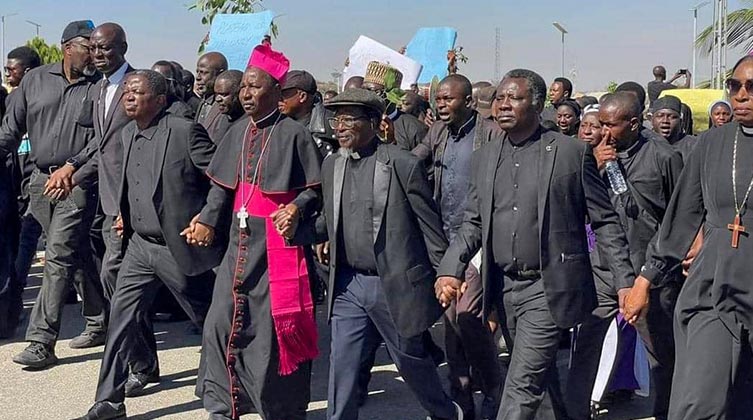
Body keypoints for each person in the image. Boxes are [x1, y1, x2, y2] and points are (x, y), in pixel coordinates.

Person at [434, 69, 635, 420]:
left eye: (515, 98)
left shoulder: (570, 154)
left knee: (521, 383)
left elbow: (604, 220)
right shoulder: (485, 157)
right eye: (500, 98)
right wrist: (450, 269)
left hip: (549, 286)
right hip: (504, 287)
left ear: (537, 104)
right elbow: (474, 222)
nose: (504, 105)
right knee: (542, 381)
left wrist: (625, 282)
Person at [288, 88, 464, 420]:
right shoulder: (332, 165)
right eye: (335, 118)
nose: (339, 126)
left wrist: (445, 274)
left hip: (393, 284)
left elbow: (430, 228)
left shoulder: (402, 164)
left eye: (348, 119)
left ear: (373, 122)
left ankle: (445, 412)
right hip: (348, 286)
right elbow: (328, 222)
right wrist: (296, 230)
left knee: (410, 361)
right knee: (343, 366)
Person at [74, 69, 219, 420]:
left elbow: (220, 180)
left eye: (136, 92)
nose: (128, 97)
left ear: (159, 100)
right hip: (139, 247)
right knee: (121, 320)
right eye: (126, 91)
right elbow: (134, 183)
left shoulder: (185, 133)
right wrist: (127, 212)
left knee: (211, 318)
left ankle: (237, 377)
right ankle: (109, 401)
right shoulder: (126, 135)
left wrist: (207, 218)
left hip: (176, 247)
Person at [193, 44, 322, 420]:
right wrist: (205, 218)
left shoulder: (295, 134)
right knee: (221, 320)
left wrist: (295, 209)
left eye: (254, 87)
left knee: (269, 333)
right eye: (243, 88)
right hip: (239, 242)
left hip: (276, 246)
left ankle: (276, 407)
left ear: (275, 92)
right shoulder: (236, 131)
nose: (246, 94)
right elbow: (221, 187)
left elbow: (314, 186)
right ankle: (223, 402)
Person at [624, 55, 753, 420]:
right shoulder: (711, 144)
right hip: (712, 285)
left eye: (751, 87)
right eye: (735, 86)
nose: (741, 95)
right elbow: (681, 218)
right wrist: (645, 280)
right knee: (698, 401)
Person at [566, 92, 684, 420]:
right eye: (598, 124)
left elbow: (678, 218)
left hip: (650, 274)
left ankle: (666, 412)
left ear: (633, 123)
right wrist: (596, 166)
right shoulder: (592, 156)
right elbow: (576, 207)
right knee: (586, 349)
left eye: (610, 124)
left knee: (661, 356)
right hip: (603, 269)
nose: (602, 131)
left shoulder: (663, 157)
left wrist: (653, 272)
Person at [0, 20, 109, 368]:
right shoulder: (34, 80)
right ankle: (99, 318)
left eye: (97, 46)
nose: (94, 53)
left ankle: (41, 341)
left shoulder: (102, 87)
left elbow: (103, 140)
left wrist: (74, 167)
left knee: (57, 255)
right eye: (87, 46)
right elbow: (10, 132)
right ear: (66, 47)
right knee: (74, 254)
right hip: (38, 182)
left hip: (77, 182)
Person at [413, 74, 504, 419]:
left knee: (467, 317)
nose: (440, 106)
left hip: (479, 240)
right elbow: (414, 160)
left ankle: (493, 386)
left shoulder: (492, 133)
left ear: (467, 102)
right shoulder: (437, 131)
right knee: (450, 323)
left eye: (448, 100)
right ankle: (461, 394)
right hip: (445, 240)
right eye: (438, 100)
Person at [1, 46, 42, 338]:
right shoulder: (11, 99)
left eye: (11, 68)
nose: (7, 73)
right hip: (13, 188)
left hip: (33, 188)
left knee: (18, 253)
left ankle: (9, 315)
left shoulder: (32, 99)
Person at [361, 61, 428, 151]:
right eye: (363, 90)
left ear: (393, 94)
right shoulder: (358, 123)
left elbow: (418, 162)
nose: (366, 96)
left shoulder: (414, 128)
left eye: (371, 90)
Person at [278, 69, 337, 156]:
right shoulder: (277, 123)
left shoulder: (330, 127)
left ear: (302, 96)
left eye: (283, 95)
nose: (279, 100)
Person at [649, 95, 697, 161]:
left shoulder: (694, 145)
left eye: (672, 117)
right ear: (652, 120)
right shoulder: (644, 146)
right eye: (660, 116)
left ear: (680, 121)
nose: (665, 121)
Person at [194, 52, 228, 133]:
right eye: (197, 72)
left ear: (220, 74)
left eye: (203, 72)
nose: (198, 77)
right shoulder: (204, 101)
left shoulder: (226, 106)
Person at [210, 69, 245, 143]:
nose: (218, 99)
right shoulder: (223, 118)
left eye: (224, 95)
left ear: (239, 93)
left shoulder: (248, 123)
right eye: (216, 94)